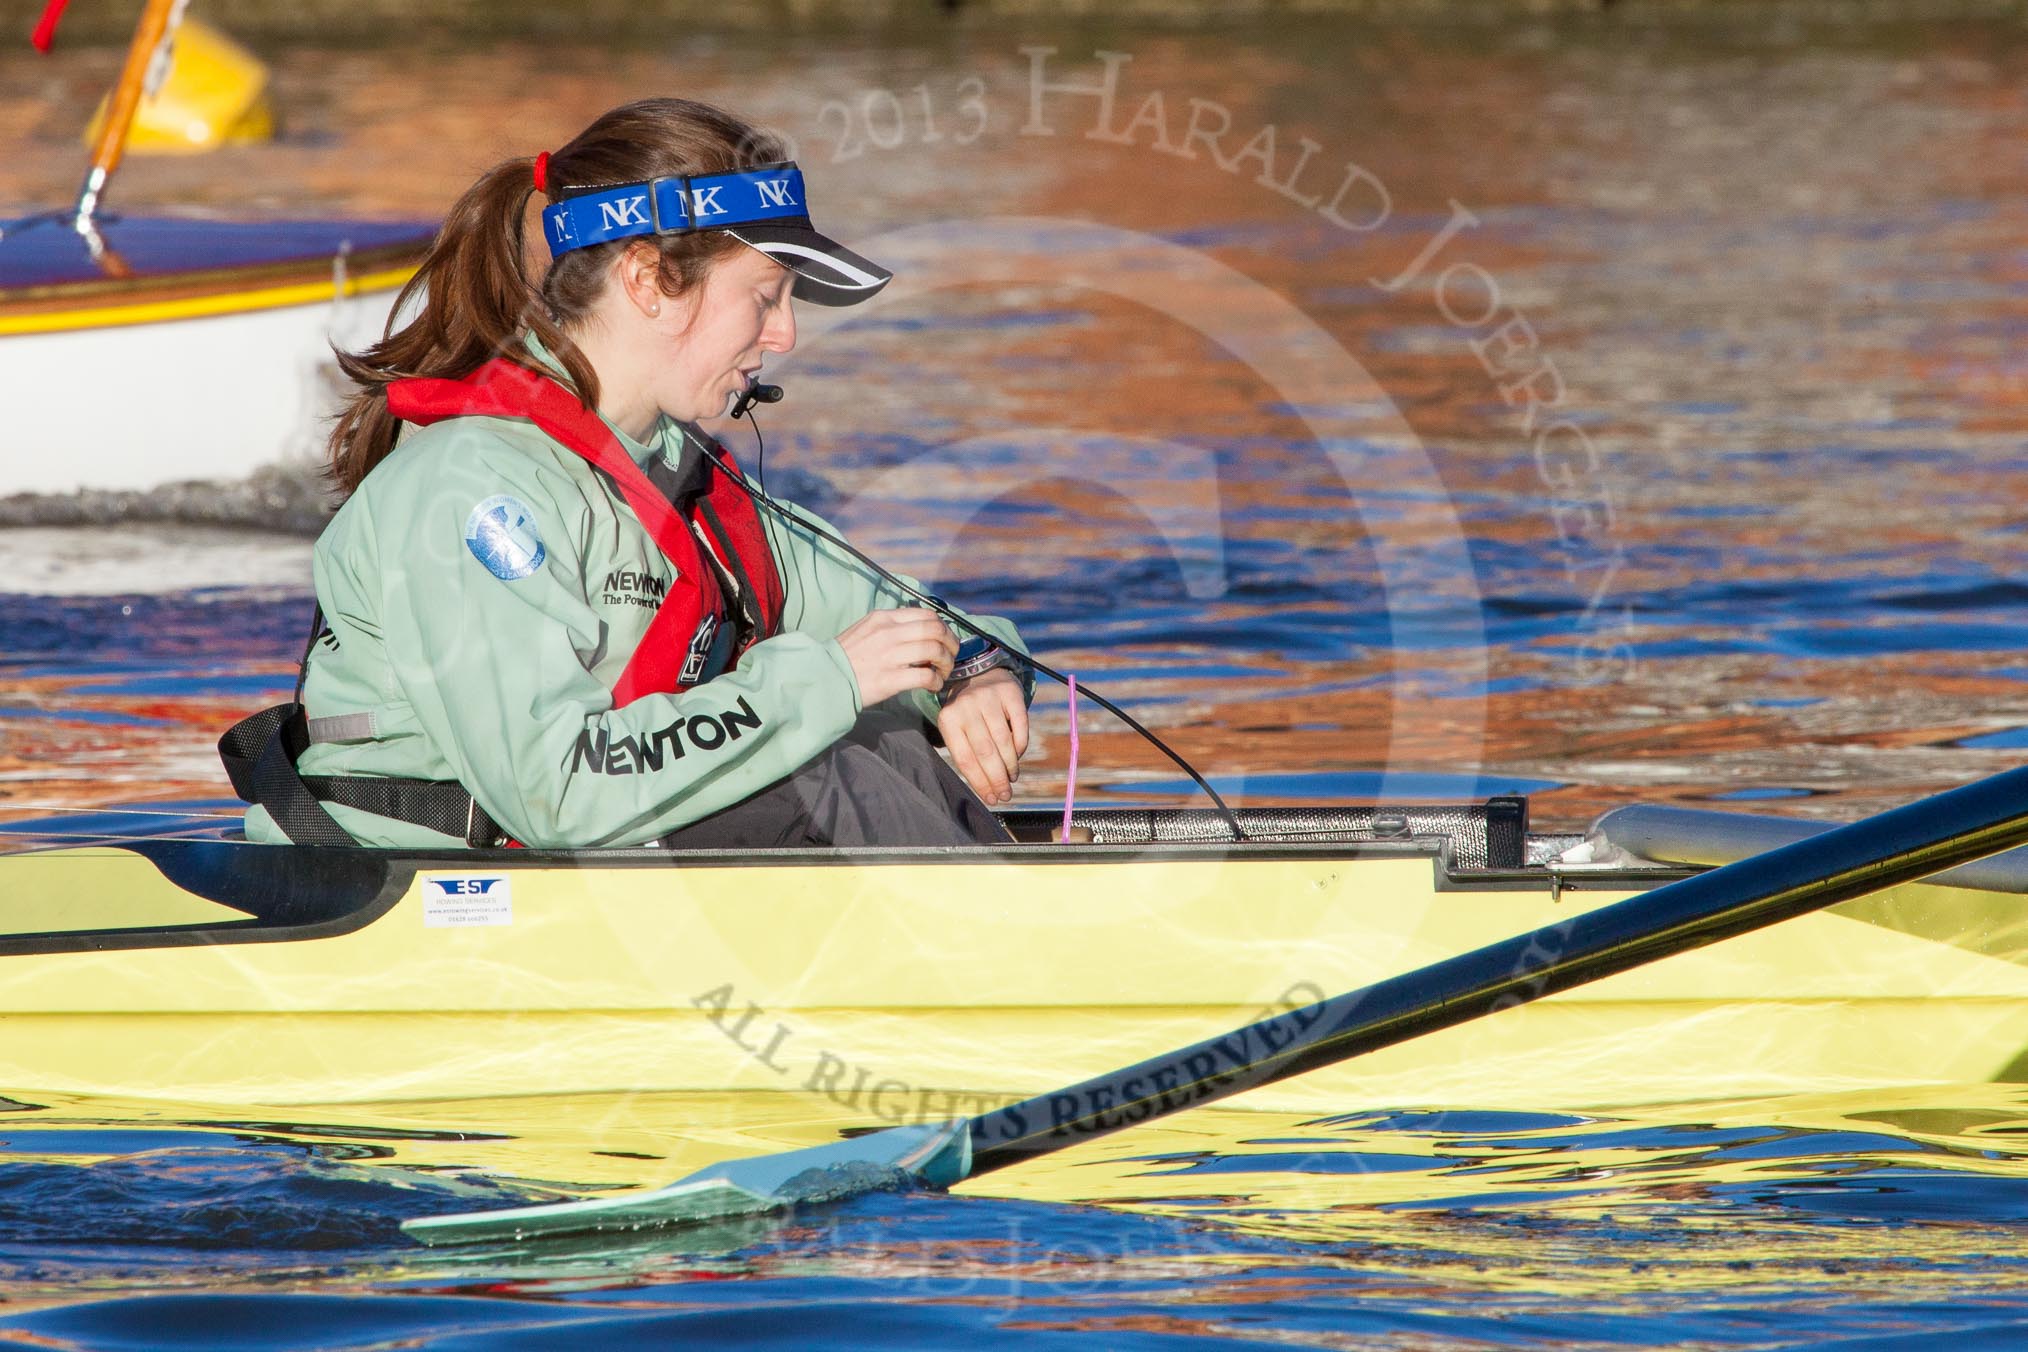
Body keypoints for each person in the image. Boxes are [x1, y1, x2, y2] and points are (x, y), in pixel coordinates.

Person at [233, 98, 1032, 850]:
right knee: (827, 767)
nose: (785, 334)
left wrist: (973, 673)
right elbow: (553, 792)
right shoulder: (470, 490)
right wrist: (824, 681)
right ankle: (1003, 956)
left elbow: (907, 622)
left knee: (881, 737)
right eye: (765, 297)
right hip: (417, 899)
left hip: (583, 887)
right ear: (648, 280)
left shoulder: (686, 486)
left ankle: (1003, 934)